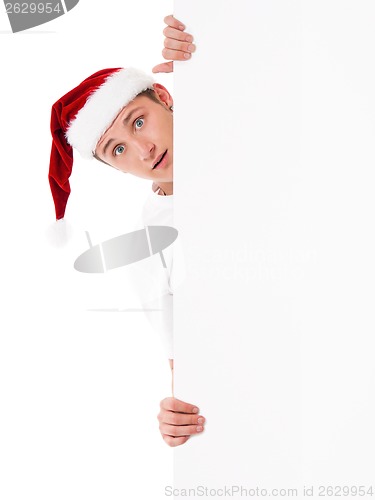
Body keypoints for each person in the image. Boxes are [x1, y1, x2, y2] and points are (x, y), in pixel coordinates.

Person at [48, 15, 204, 448]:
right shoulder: (152, 241)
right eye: (117, 149)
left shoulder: (239, 129)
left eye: (138, 121)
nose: (143, 149)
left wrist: (206, 51)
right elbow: (187, 365)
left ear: (164, 96)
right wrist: (177, 413)